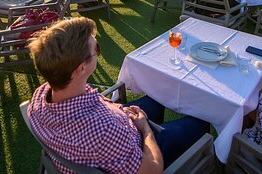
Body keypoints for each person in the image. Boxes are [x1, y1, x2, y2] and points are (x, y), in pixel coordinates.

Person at [27, 17, 210, 174]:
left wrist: (120, 112)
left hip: (114, 129)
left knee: (156, 98)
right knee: (200, 122)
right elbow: (153, 169)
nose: (98, 52)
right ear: (81, 68)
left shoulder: (39, 96)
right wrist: (145, 129)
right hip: (133, 145)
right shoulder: (104, 130)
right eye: (96, 49)